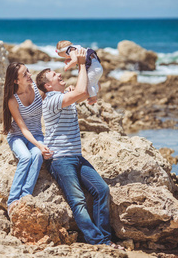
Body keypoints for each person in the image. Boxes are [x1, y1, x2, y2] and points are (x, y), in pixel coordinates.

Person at [36, 49, 125, 250]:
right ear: (48, 86)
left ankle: (104, 236)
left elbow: (88, 90)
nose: (59, 74)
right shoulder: (52, 100)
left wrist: (89, 68)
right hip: (60, 160)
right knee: (78, 201)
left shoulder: (63, 96)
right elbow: (82, 92)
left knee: (102, 189)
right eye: (54, 75)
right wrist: (81, 64)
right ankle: (100, 242)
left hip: (76, 157)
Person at [3, 62, 53, 217]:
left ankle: (25, 196)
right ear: (16, 81)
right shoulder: (13, 100)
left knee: (37, 155)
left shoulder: (38, 90)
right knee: (25, 157)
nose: (30, 75)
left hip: (37, 134)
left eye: (28, 71)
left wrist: (68, 91)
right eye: (25, 74)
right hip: (17, 136)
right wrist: (39, 144)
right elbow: (23, 128)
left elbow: (55, 95)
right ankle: (12, 201)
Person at [56, 40, 103, 105]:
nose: (66, 57)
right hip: (96, 66)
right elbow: (76, 58)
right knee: (92, 83)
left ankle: (93, 98)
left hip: (93, 68)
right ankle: (94, 91)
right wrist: (69, 59)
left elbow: (75, 60)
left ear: (64, 51)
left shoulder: (71, 50)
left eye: (64, 56)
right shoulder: (75, 48)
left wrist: (67, 66)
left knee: (89, 83)